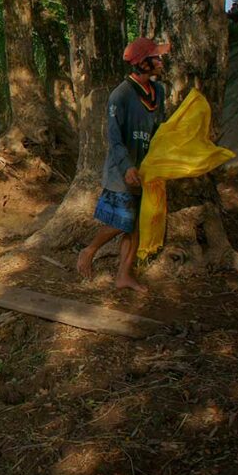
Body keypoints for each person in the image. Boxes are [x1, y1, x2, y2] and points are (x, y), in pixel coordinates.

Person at [76, 36, 170, 293]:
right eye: (156, 57)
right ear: (143, 63)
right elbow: (115, 138)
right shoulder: (121, 95)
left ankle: (123, 275)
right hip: (122, 171)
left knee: (136, 224)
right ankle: (90, 249)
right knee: (122, 222)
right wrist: (128, 166)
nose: (161, 61)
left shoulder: (158, 91)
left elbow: (160, 128)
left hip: (147, 169)